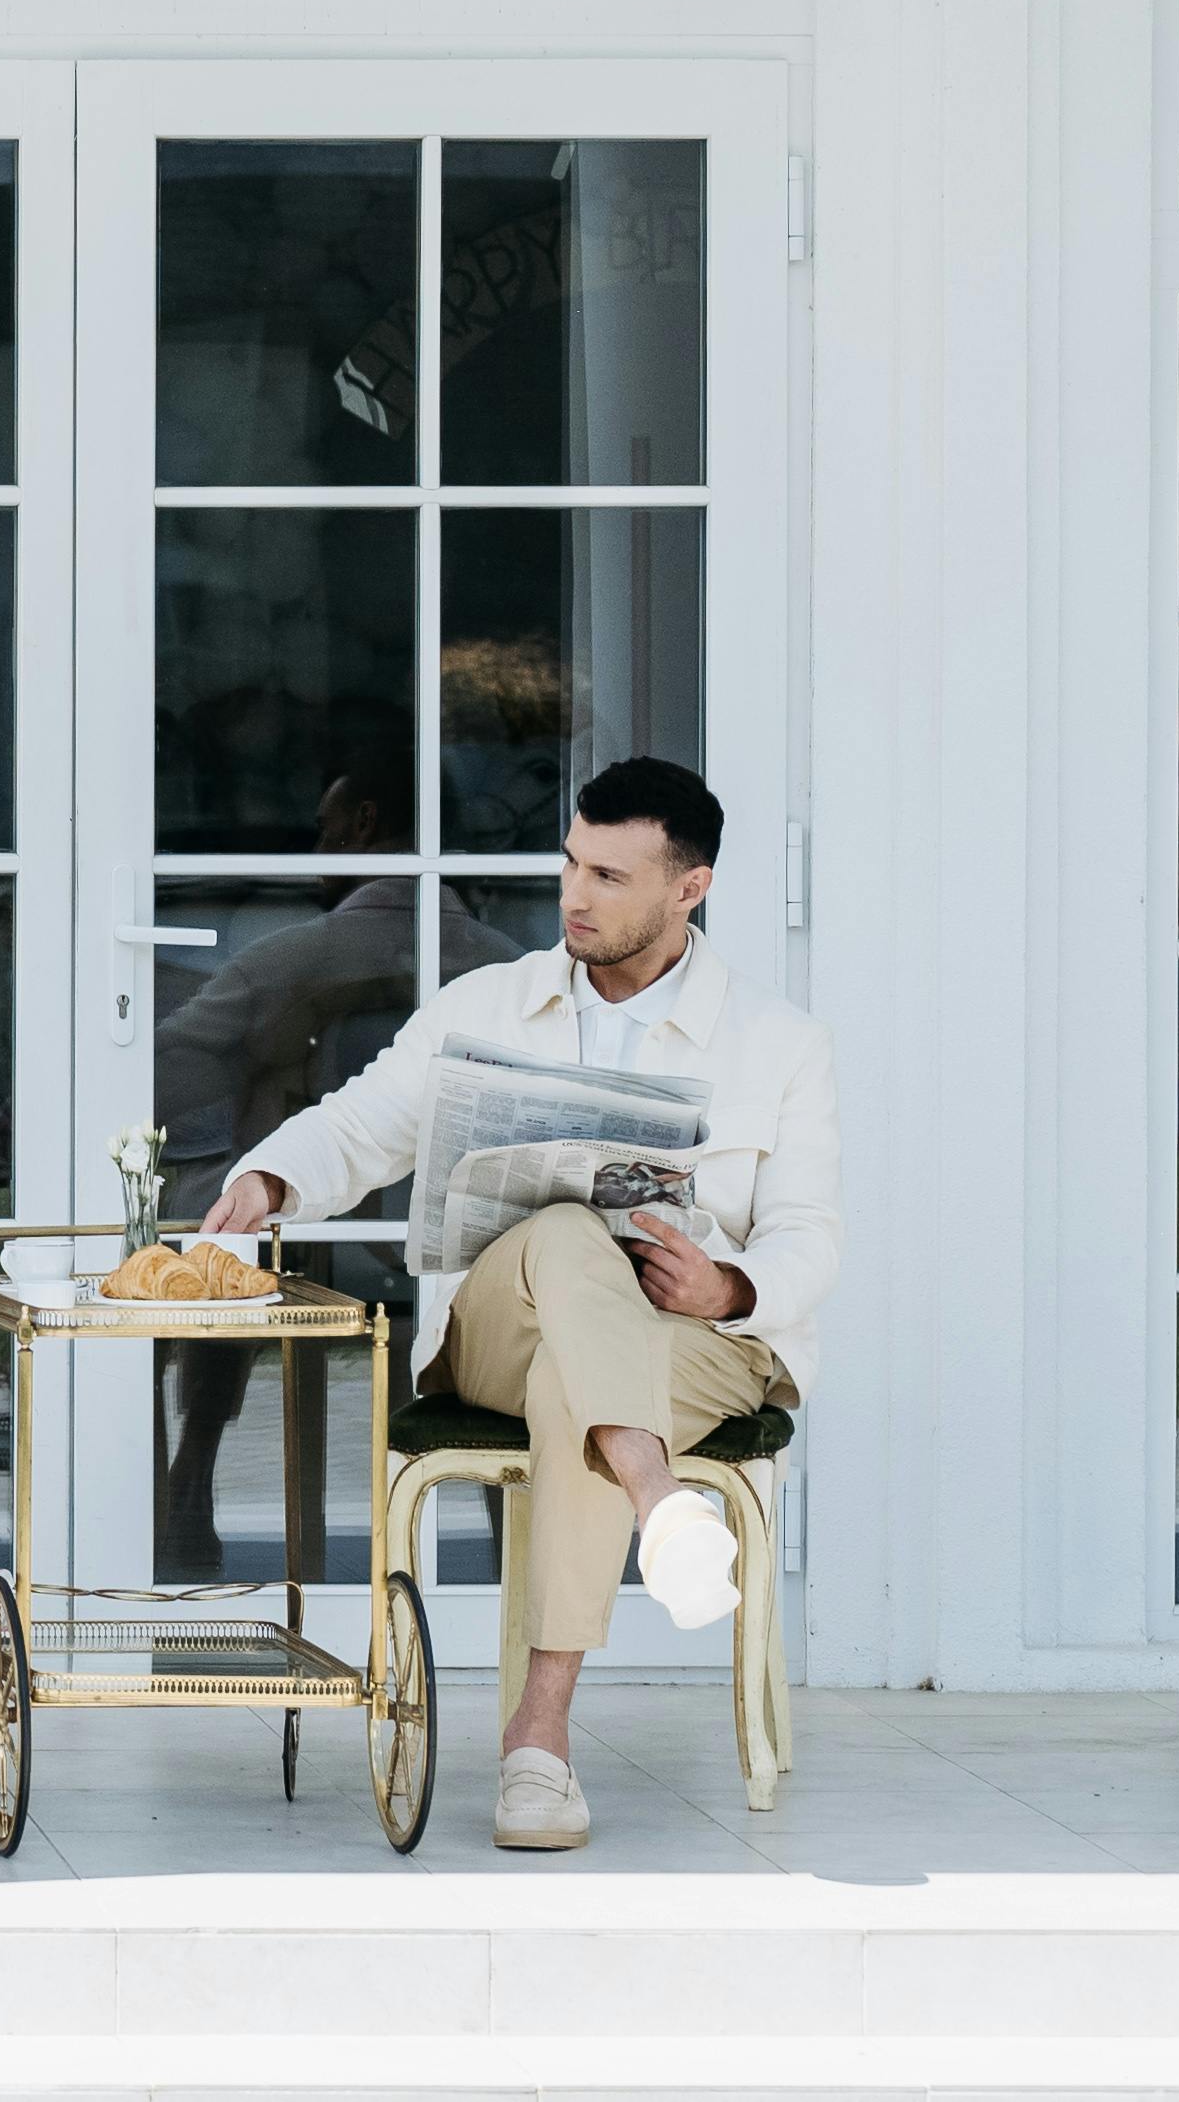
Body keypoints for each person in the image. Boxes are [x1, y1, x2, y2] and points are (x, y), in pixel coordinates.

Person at [204, 755, 836, 1855]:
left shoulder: (777, 1042)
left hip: (699, 1340)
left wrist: (727, 1283)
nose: (573, 895)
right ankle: (656, 1504)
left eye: (607, 874)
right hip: (497, 1330)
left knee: (575, 1381)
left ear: (688, 889)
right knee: (556, 1230)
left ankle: (536, 1742)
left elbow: (809, 1235)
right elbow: (360, 1123)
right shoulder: (487, 1004)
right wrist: (268, 1179)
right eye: (568, 863)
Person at [147, 767, 519, 1572]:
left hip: (300, 1245)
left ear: (362, 823)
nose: (316, 849)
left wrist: (258, 1068)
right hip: (452, 1257)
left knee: (209, 1233)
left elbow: (162, 1072)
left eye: (324, 827)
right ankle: (509, 1547)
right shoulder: (509, 973)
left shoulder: (288, 959)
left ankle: (191, 1478)